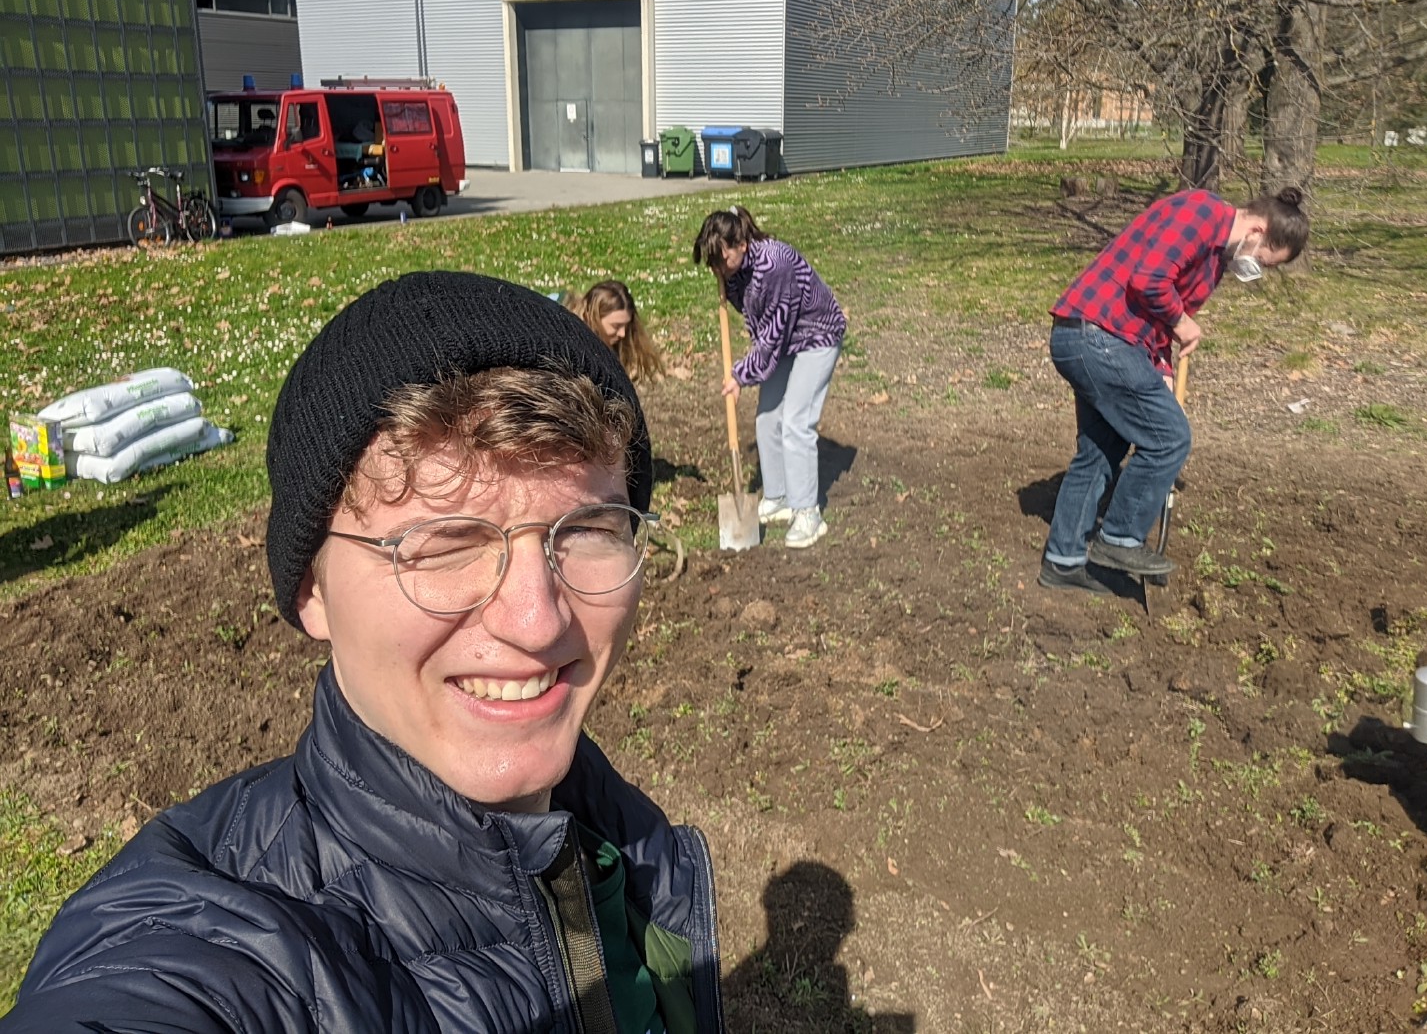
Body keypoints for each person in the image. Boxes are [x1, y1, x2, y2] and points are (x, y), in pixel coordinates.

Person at [5, 272, 725, 1033]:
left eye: (584, 531)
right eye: (446, 544)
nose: (537, 620)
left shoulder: (623, 845)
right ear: (310, 590)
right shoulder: (217, 944)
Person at [1040, 186, 1309, 592]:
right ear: (1256, 229)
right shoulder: (1200, 213)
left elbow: (1161, 316)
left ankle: (1063, 561)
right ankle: (1120, 539)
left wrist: (1161, 364)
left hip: (1101, 340)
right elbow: (1149, 281)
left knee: (1101, 451)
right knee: (1169, 438)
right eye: (1264, 262)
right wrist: (1184, 323)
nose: (1257, 269)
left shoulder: (1215, 260)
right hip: (1096, 336)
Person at [692, 206, 846, 549]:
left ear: (742, 244)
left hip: (816, 336)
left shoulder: (775, 264)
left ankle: (808, 513)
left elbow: (773, 333)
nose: (717, 268)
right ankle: (778, 497)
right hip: (785, 342)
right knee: (767, 418)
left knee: (795, 421)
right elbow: (761, 327)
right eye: (712, 261)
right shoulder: (732, 272)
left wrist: (741, 375)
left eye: (722, 258)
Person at [567, 279, 667, 383]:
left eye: (626, 325)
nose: (622, 333)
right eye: (616, 326)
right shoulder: (570, 349)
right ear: (593, 318)